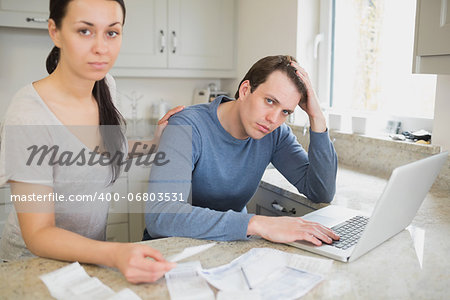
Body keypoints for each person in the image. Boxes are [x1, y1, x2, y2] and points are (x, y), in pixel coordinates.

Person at [0, 0, 182, 284]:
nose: (101, 48)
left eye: (112, 32)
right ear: (55, 31)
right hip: (33, 269)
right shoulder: (28, 116)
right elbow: (38, 234)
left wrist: (152, 143)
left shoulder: (105, 85)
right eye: (85, 31)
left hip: (88, 260)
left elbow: (101, 152)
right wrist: (115, 254)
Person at [144, 55, 340, 246]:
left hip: (229, 246)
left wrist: (317, 117)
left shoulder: (274, 134)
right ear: (245, 90)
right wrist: (256, 223)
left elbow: (321, 191)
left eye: (285, 112)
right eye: (270, 101)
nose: (274, 119)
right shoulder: (187, 126)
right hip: (172, 249)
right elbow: (161, 216)